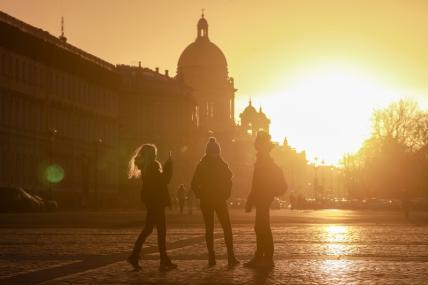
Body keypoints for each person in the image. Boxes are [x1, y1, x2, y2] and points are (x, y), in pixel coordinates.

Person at [127, 144, 177, 271]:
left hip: (152, 202)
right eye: (154, 153)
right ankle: (162, 259)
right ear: (151, 155)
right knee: (160, 231)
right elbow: (164, 180)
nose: (156, 154)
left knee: (149, 229)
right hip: (157, 202)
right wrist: (169, 166)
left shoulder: (146, 167)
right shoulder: (153, 166)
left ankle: (135, 256)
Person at [191, 137, 239, 267]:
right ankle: (229, 256)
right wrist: (226, 193)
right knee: (225, 228)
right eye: (214, 152)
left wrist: (200, 195)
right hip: (217, 199)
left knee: (211, 229)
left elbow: (194, 184)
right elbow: (229, 178)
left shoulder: (203, 164)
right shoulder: (219, 164)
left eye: (215, 152)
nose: (215, 154)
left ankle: (214, 258)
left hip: (210, 200)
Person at [244, 131, 287, 268]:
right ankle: (266, 255)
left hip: (263, 198)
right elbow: (256, 183)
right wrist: (252, 199)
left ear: (261, 145)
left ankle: (264, 256)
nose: (255, 145)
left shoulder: (264, 160)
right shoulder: (263, 159)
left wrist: (255, 198)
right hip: (262, 197)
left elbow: (257, 183)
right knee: (262, 226)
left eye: (258, 143)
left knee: (261, 227)